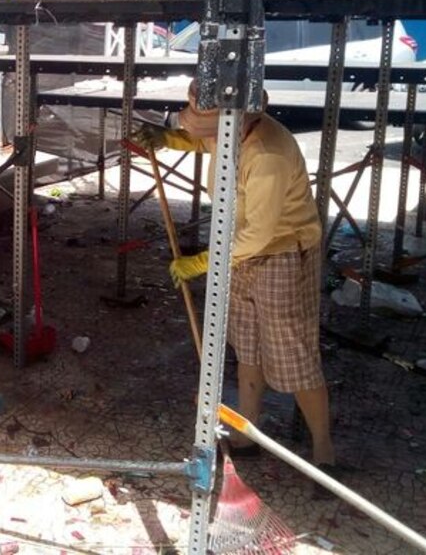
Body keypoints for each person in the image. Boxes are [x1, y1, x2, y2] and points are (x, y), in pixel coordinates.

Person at [134, 80, 336, 472]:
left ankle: (324, 452)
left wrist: (201, 261)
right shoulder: (230, 129)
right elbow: (205, 141)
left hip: (282, 252)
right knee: (247, 346)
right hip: (238, 248)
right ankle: (246, 436)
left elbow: (258, 236)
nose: (208, 133)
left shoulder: (267, 155)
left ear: (239, 119)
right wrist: (168, 139)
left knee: (293, 355)